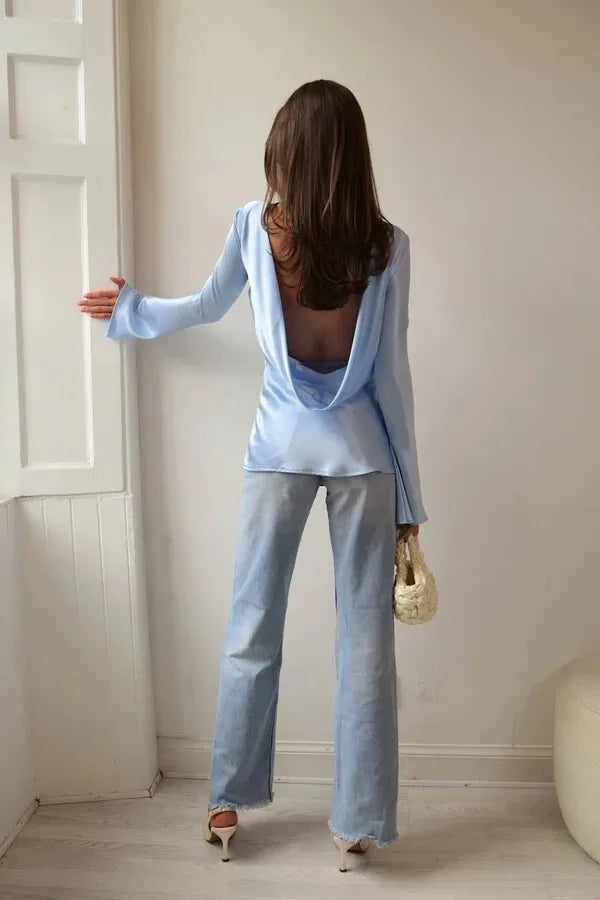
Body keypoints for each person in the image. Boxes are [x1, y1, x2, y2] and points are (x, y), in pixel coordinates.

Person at [78, 79, 427, 872]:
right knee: (365, 639)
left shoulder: (253, 228)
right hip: (366, 455)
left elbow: (204, 307)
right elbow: (393, 378)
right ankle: (359, 822)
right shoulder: (387, 246)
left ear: (289, 154)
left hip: (277, 449)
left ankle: (227, 801)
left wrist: (131, 310)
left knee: (251, 624)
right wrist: (411, 494)